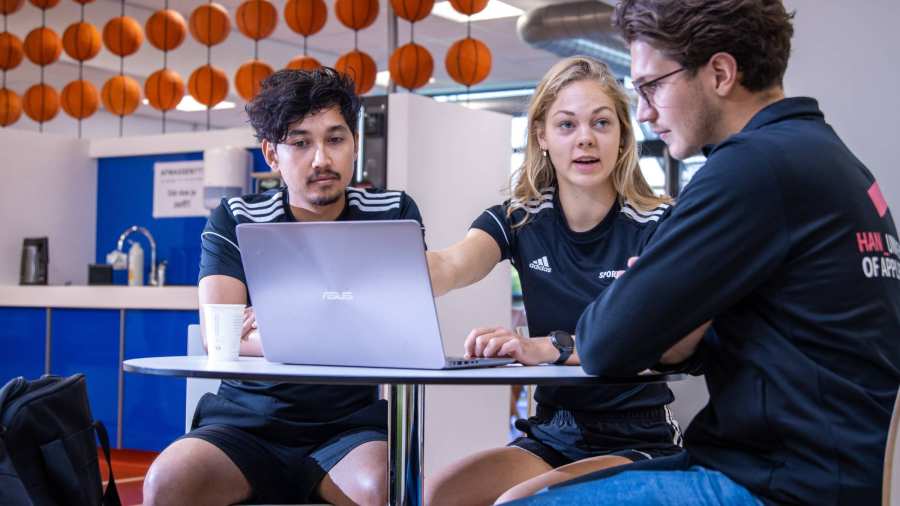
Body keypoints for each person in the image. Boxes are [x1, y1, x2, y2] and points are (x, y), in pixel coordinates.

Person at [513, 1, 900, 505]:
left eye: (653, 85)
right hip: (821, 470)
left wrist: (645, 311)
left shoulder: (751, 168)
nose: (646, 111)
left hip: (778, 483)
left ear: (719, 72)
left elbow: (609, 343)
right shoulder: (826, 157)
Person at [424, 56, 703, 505]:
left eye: (601, 123)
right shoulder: (519, 220)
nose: (585, 139)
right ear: (542, 136)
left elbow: (665, 343)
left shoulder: (657, 225)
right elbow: (452, 266)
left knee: (519, 501)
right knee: (444, 494)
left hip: (637, 435)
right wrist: (390, 270)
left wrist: (549, 346)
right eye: (567, 125)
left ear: (622, 136)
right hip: (554, 428)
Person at [142, 68, 424, 506]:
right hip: (243, 422)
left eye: (335, 139)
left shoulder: (390, 211)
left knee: (384, 488)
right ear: (272, 154)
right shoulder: (236, 216)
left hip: (348, 426)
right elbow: (223, 333)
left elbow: (400, 329)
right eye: (300, 142)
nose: (321, 159)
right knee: (168, 481)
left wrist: (267, 328)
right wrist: (347, 324)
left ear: (354, 142)